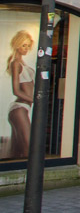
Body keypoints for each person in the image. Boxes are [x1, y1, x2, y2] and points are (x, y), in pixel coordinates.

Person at [7, 30, 35, 160]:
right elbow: (16, 91)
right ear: (17, 45)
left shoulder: (22, 63)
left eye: (28, 46)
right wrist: (35, 100)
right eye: (24, 45)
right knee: (28, 148)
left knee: (19, 150)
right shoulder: (16, 64)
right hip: (19, 109)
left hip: (23, 109)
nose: (26, 49)